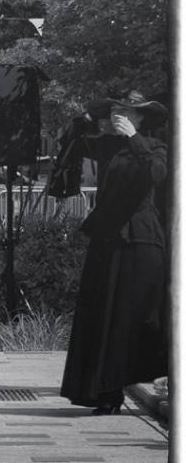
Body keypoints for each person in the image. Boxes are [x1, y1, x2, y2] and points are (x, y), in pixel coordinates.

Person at [59, 94, 169, 414]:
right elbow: (73, 146)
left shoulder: (153, 146)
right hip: (108, 238)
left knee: (134, 316)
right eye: (115, 112)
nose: (118, 116)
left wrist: (134, 139)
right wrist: (86, 120)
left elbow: (156, 174)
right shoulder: (108, 145)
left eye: (126, 112)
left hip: (140, 239)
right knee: (103, 313)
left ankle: (132, 381)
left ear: (141, 118)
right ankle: (104, 391)